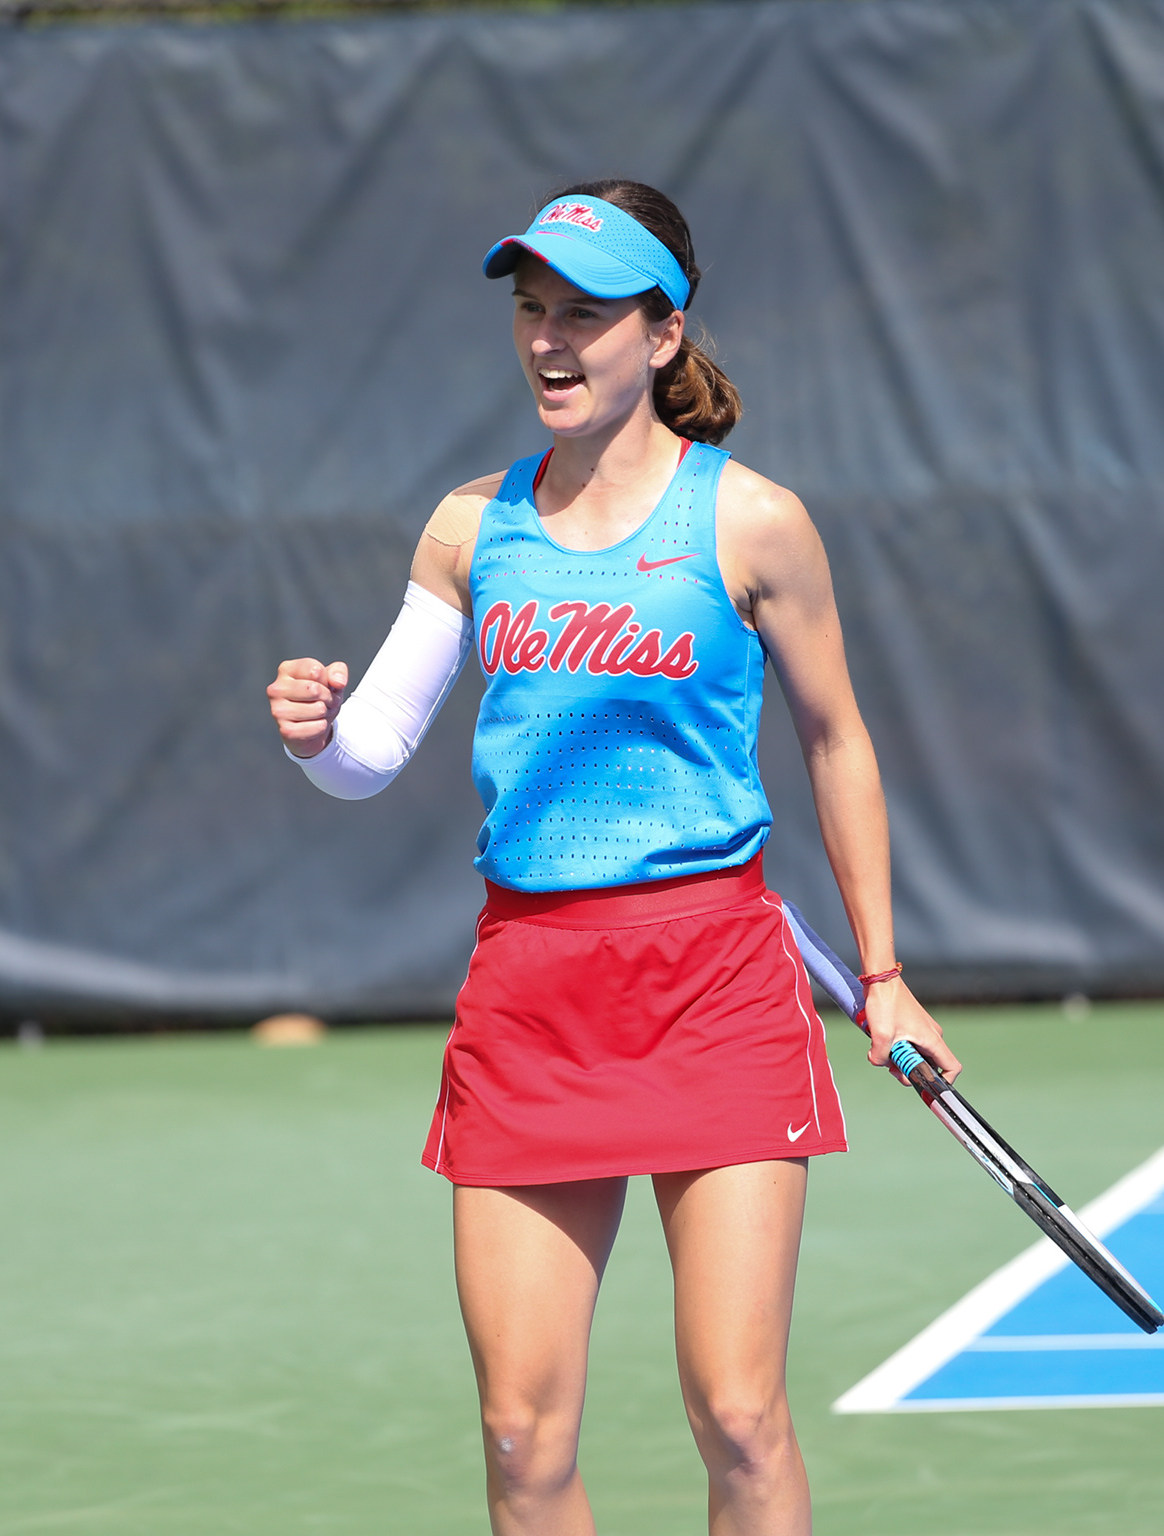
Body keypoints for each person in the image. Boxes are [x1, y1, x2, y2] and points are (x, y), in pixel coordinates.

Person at [268, 180, 959, 1536]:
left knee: (739, 1416)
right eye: (532, 310)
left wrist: (883, 975)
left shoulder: (754, 523)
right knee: (521, 1437)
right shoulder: (470, 527)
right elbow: (367, 755)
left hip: (718, 990)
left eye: (584, 313)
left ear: (663, 332)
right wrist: (314, 737)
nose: (549, 339)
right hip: (532, 996)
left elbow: (837, 741)